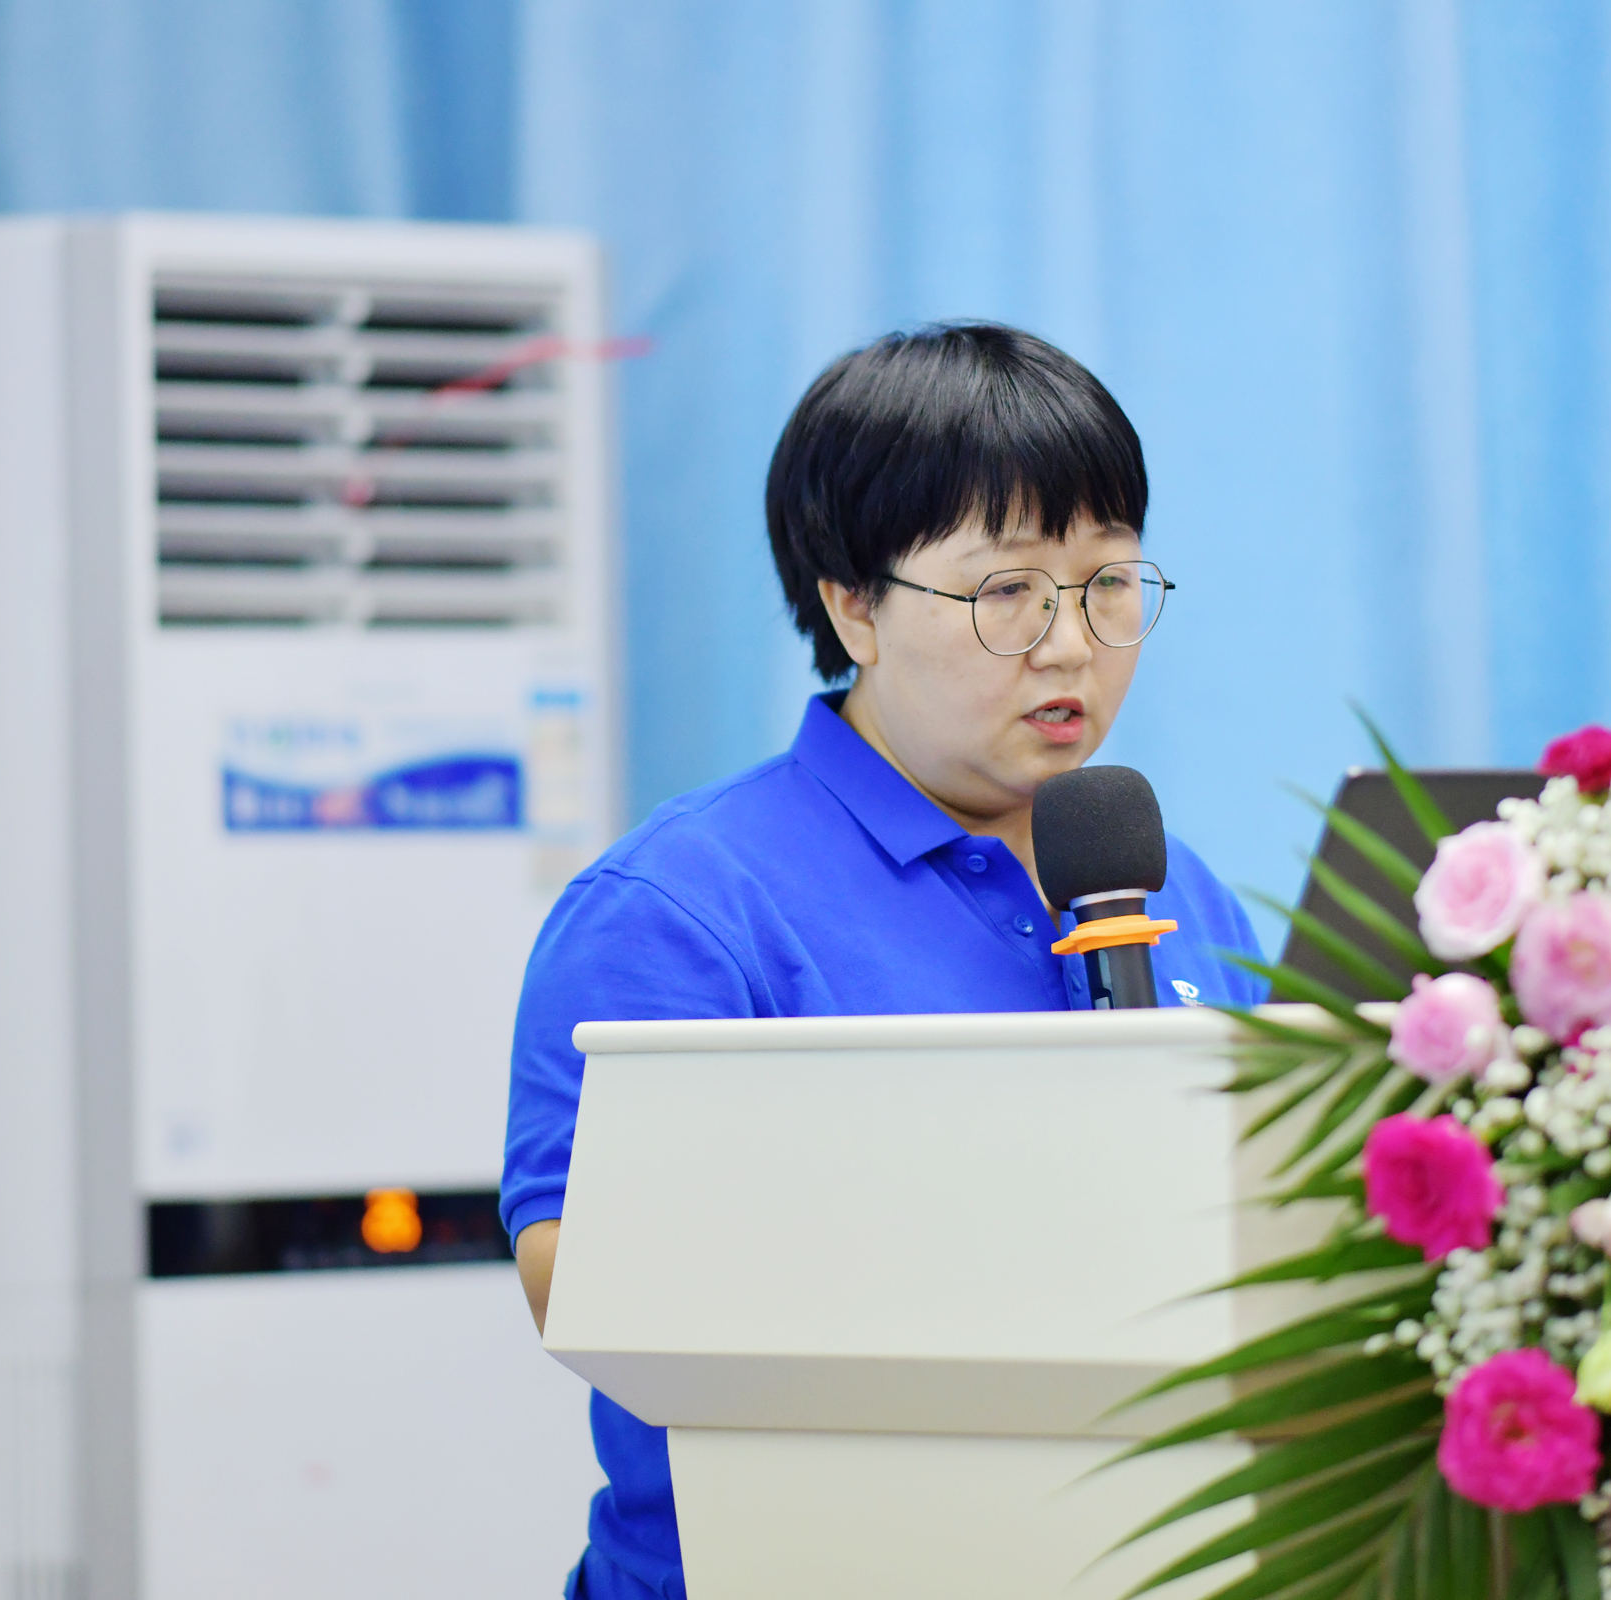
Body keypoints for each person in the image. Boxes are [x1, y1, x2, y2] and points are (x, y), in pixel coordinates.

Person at [500, 323, 1267, 1600]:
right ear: (853, 603)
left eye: (1109, 582)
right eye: (1008, 591)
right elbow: (572, 1269)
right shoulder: (681, 906)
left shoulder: (1173, 885)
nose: (1070, 643)